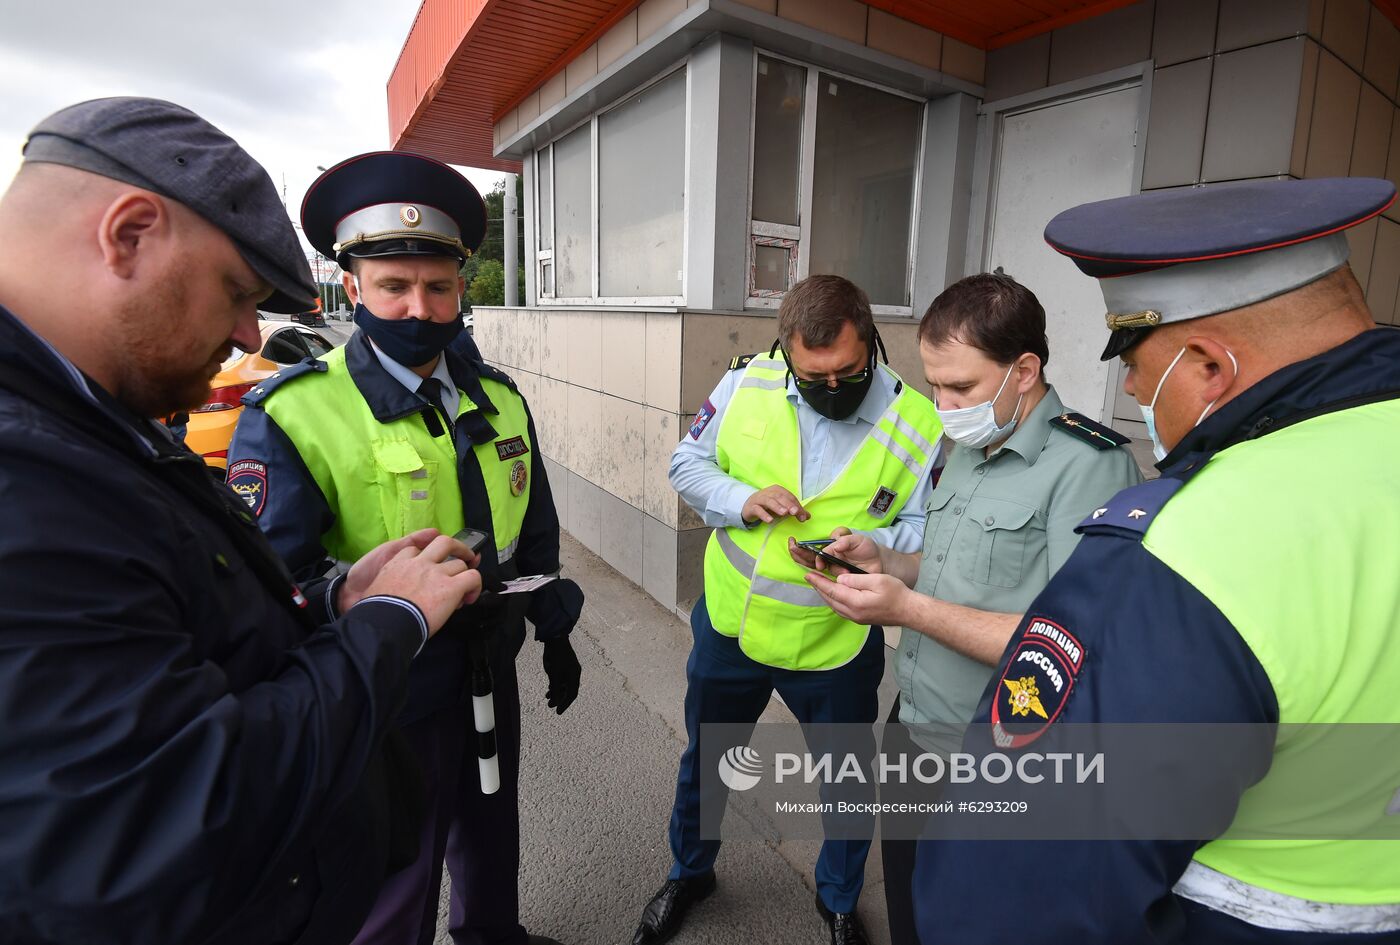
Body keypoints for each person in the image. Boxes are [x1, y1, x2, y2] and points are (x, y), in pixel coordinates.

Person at [0, 98, 484, 945]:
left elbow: (195, 619)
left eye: (437, 286)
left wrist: (332, 604)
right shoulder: (28, 475)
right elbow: (163, 818)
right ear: (130, 233)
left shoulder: (84, 417)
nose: (248, 333)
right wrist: (385, 621)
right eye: (237, 291)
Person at [911, 177, 1400, 942]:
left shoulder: (1191, 544)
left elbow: (1014, 898)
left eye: (1135, 358)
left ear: (1210, 366)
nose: (1131, 384)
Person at [228, 151, 583, 945]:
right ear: (352, 288)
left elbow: (536, 528)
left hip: (491, 660)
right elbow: (272, 582)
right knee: (397, 869)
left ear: (462, 287)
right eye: (394, 286)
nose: (419, 308)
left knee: (493, 825)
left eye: (437, 285)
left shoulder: (499, 397)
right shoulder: (295, 412)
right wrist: (358, 602)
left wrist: (554, 627)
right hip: (386, 685)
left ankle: (493, 934)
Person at [799, 273, 1141, 943]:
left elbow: (1070, 647)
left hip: (994, 753)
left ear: (1025, 370)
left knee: (973, 924)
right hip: (914, 725)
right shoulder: (968, 447)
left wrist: (905, 609)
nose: (943, 404)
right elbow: (956, 570)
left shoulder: (1089, 467)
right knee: (907, 904)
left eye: (961, 388)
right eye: (934, 385)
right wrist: (886, 562)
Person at [634, 275, 943, 945]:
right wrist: (740, 497)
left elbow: (929, 526)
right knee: (708, 759)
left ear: (873, 344)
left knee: (846, 780)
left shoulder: (917, 420)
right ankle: (690, 871)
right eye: (813, 375)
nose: (831, 387)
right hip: (731, 627)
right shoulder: (746, 383)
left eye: (847, 373)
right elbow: (686, 462)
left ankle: (837, 900)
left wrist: (879, 545)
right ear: (784, 353)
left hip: (835, 639)